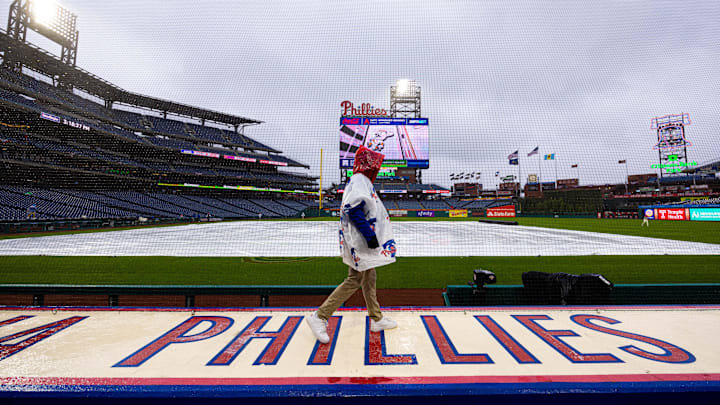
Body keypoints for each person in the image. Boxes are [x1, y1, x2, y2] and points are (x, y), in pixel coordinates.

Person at [306, 146, 398, 344]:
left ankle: (376, 318)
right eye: (375, 165)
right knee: (355, 279)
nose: (378, 169)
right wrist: (370, 236)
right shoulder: (359, 181)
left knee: (369, 275)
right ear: (368, 165)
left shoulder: (360, 180)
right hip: (361, 240)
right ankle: (320, 316)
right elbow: (354, 210)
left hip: (361, 240)